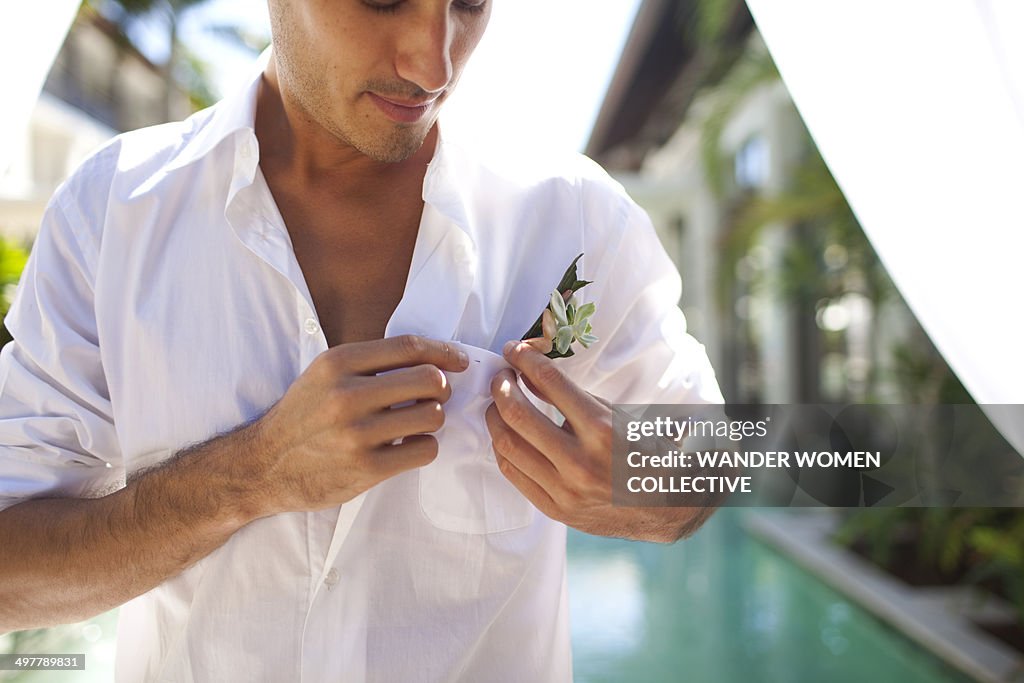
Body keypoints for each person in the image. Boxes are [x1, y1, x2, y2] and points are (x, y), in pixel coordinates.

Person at [0, 0, 723, 679]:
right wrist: (250, 475)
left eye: (469, 3)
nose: (434, 66)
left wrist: (648, 485)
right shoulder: (111, 216)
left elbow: (718, 457)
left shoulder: (577, 222)